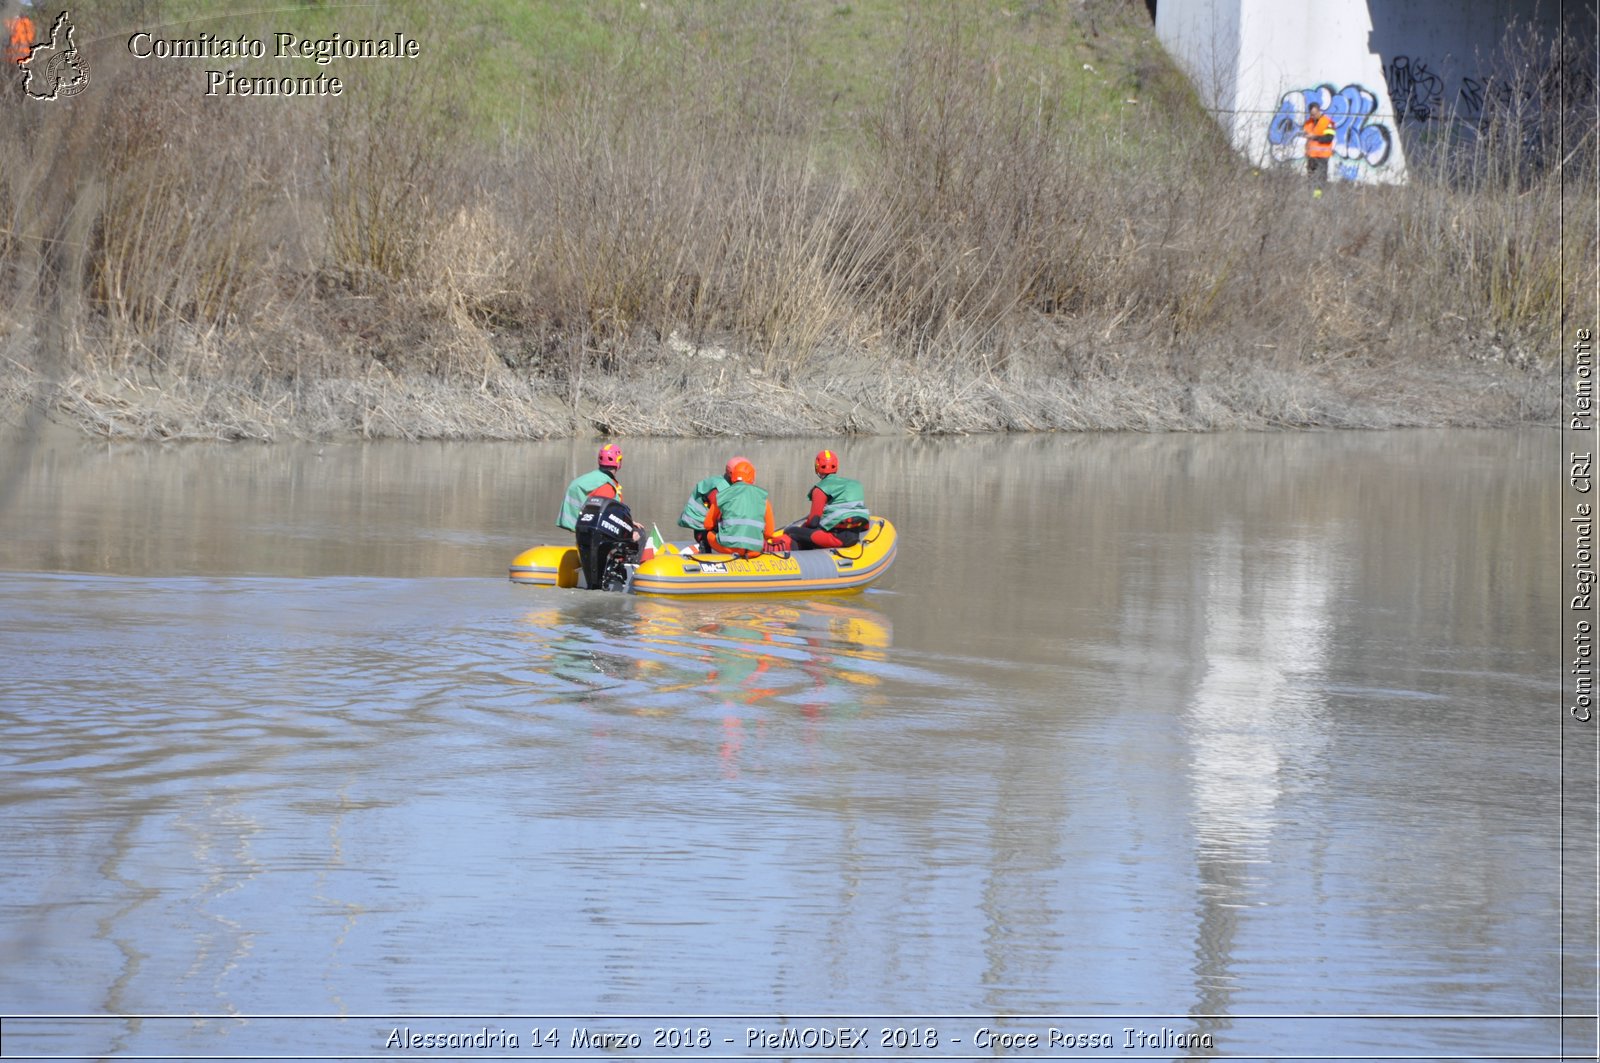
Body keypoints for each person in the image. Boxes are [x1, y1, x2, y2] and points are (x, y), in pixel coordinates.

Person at [786, 449, 871, 550]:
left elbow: (813, 523)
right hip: (853, 535)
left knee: (790, 531)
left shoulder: (820, 489)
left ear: (817, 467)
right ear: (836, 466)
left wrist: (804, 526)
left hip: (836, 538)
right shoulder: (855, 485)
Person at [702, 458, 780, 558]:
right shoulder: (763, 499)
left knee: (707, 534)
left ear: (732, 477)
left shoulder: (722, 495)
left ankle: (706, 561)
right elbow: (769, 533)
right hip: (754, 551)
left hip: (728, 549)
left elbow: (708, 525)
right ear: (752, 478)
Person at [557, 443, 627, 531]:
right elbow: (608, 518)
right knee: (638, 534)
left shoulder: (590, 478)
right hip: (593, 532)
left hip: (578, 527)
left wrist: (628, 522)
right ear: (618, 462)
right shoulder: (606, 486)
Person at [677, 457, 741, 552]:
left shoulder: (723, 483)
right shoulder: (720, 490)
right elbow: (723, 516)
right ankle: (705, 550)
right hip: (703, 531)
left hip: (705, 526)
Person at [1302, 102, 1335, 189]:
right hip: (1311, 156)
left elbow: (1329, 138)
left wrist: (1315, 137)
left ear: (1319, 111)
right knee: (1311, 179)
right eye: (1311, 114)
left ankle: (1318, 198)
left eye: (1314, 114)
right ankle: (1310, 198)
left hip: (1322, 156)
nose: (1312, 116)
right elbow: (1305, 134)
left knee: (1320, 180)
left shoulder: (1327, 122)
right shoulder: (1308, 122)